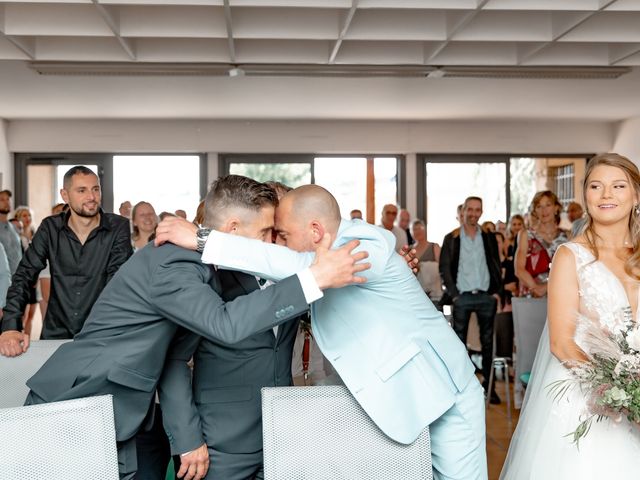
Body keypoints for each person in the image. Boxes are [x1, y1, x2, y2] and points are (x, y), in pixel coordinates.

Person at [23, 177, 368, 480]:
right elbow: (223, 323)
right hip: (78, 399)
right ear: (233, 230)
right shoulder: (175, 264)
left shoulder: (204, 268)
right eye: (265, 232)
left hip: (125, 408)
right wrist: (314, 277)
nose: (269, 244)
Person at [157, 185, 486, 480]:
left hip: (443, 395)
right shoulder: (216, 280)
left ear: (315, 230)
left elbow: (300, 271)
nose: (278, 244)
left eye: (283, 235)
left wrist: (205, 239)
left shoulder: (361, 244)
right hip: (399, 401)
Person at [501, 153, 640, 479]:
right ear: (586, 196)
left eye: (618, 186)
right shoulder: (571, 256)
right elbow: (562, 343)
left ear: (636, 195)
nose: (606, 194)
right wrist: (624, 396)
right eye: (596, 186)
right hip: (587, 400)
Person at [0, 166, 132, 355]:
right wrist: (10, 327)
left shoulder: (118, 227)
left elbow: (118, 282)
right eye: (82, 190)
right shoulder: (50, 228)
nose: (92, 197)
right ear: (65, 195)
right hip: (56, 333)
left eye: (96, 189)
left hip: (101, 334)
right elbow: (24, 275)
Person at [439, 196, 503, 404]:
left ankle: (489, 387)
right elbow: (445, 268)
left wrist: (496, 292)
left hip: (486, 296)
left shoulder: (488, 237)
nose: (474, 214)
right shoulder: (452, 238)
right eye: (470, 209)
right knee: (459, 344)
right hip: (462, 297)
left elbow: (495, 264)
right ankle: (460, 386)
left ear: (481, 212)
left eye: (478, 210)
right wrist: (455, 294)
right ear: (463, 211)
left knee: (487, 344)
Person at [515, 191, 568, 297]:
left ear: (556, 208)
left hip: (560, 296)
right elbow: (519, 269)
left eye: (548, 205)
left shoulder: (568, 237)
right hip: (531, 296)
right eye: (539, 206)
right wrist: (536, 288)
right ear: (535, 211)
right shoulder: (526, 235)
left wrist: (546, 287)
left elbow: (572, 270)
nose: (544, 210)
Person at [0, 189, 22, 275]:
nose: (6, 202)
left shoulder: (14, 227)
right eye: (2, 199)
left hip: (18, 279)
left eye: (8, 199)